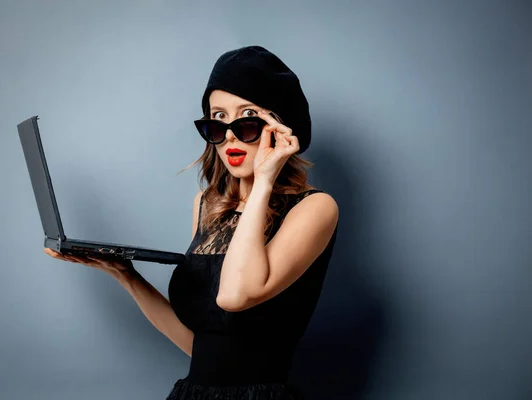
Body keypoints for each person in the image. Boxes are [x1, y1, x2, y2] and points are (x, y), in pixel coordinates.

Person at [45, 45, 339, 399]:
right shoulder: (207, 205)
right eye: (218, 118)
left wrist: (262, 182)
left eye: (247, 117)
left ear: (281, 127)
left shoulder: (315, 208)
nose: (229, 133)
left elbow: (235, 295)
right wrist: (125, 275)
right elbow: (198, 347)